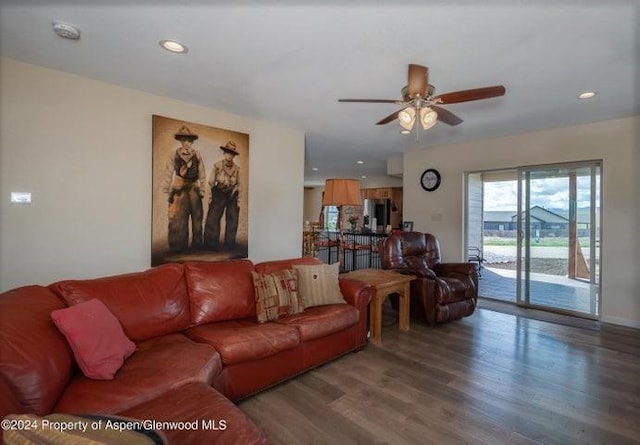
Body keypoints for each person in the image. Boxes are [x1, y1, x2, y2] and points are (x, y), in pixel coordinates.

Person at [162, 125, 206, 252]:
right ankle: (178, 246)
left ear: (191, 142)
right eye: (183, 140)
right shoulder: (174, 155)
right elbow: (168, 172)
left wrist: (202, 188)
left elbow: (202, 172)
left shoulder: (197, 154)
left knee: (197, 215)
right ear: (180, 141)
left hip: (193, 186)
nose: (186, 143)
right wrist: (166, 189)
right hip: (179, 184)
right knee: (177, 216)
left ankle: (197, 246)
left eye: (188, 141)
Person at [204, 140, 240, 251]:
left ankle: (230, 244)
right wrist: (210, 197)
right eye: (227, 152)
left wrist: (236, 196)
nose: (229, 155)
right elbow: (211, 182)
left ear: (234, 155)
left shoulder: (237, 169)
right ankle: (210, 244)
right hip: (219, 192)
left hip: (232, 193)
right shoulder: (217, 166)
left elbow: (239, 183)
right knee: (213, 218)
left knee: (233, 217)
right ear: (224, 153)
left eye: (232, 153)